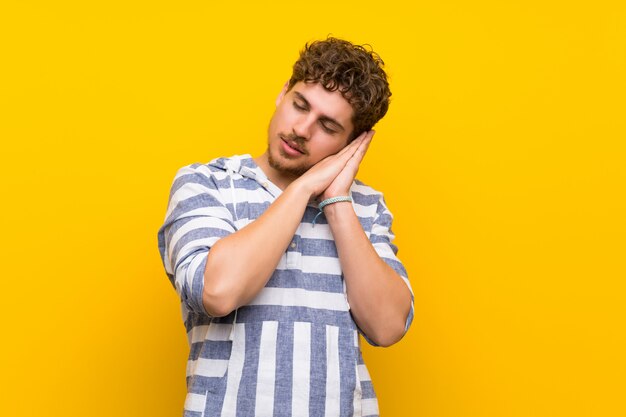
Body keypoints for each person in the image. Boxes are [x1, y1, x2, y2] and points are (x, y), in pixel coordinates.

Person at [157, 37, 414, 417]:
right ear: (282, 93)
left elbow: (388, 326)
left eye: (327, 125)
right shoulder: (206, 182)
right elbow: (218, 292)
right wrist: (305, 187)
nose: (301, 129)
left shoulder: (366, 206)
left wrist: (337, 200)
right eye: (299, 105)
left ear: (352, 144)